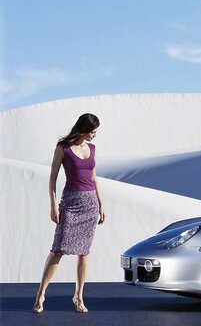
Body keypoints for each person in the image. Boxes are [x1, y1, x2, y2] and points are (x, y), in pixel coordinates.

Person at [32, 113, 106, 313]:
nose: (95, 135)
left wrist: (101, 204)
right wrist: (53, 205)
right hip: (71, 203)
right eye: (92, 131)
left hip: (90, 204)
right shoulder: (62, 148)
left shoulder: (92, 149)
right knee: (58, 250)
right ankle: (41, 294)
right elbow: (52, 178)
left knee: (84, 252)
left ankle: (79, 296)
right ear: (82, 129)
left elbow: (94, 178)